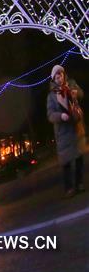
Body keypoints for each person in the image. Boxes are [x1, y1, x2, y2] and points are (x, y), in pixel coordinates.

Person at [47, 64, 85, 197]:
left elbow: (81, 93)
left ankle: (79, 184)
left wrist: (75, 92)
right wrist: (60, 116)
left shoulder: (71, 85)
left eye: (61, 74)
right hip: (63, 133)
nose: (59, 77)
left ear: (64, 75)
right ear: (54, 78)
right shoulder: (51, 96)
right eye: (56, 76)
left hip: (76, 128)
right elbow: (50, 115)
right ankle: (69, 188)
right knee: (66, 163)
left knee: (79, 158)